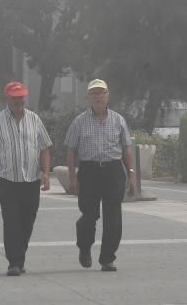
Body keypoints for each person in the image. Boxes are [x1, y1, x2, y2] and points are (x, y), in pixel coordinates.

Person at [64, 78, 137, 272]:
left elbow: (126, 149)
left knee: (113, 217)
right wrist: (72, 177)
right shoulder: (80, 121)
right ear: (89, 98)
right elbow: (71, 150)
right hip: (89, 171)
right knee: (89, 215)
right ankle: (85, 247)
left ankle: (107, 258)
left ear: (108, 96)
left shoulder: (118, 120)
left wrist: (131, 174)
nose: (98, 97)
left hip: (113, 171)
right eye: (94, 93)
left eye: (101, 93)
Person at [0, 80, 52, 277]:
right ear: (8, 98)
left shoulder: (35, 119)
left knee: (27, 221)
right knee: (11, 221)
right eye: (15, 98)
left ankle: (19, 257)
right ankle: (14, 263)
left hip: (30, 180)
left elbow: (45, 147)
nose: (19, 101)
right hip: (6, 180)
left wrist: (45, 173)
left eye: (21, 97)